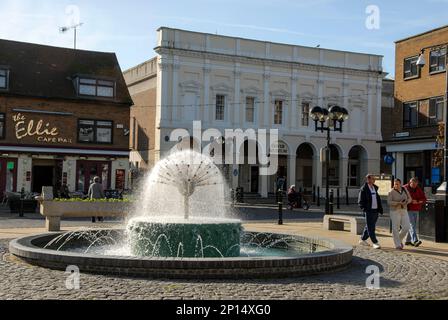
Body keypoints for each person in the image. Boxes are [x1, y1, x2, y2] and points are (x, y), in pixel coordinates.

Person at [358, 174, 384, 249]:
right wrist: (365, 209)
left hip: (375, 210)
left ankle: (362, 239)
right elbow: (360, 201)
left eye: (374, 178)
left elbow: (378, 199)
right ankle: (375, 242)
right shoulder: (363, 189)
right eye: (372, 178)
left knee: (369, 226)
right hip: (368, 211)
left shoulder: (374, 188)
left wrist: (380, 209)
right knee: (371, 228)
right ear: (368, 180)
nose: (374, 180)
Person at [387, 179, 412, 250]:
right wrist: (398, 203)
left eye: (397, 184)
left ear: (400, 184)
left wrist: (406, 202)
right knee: (395, 228)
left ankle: (399, 240)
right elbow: (389, 202)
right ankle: (397, 244)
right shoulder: (391, 192)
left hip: (404, 210)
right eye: (395, 184)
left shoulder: (405, 189)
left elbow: (410, 198)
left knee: (406, 227)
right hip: (395, 211)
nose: (396, 185)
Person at [403, 178, 426, 247]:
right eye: (412, 184)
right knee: (412, 225)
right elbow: (401, 198)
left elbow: (424, 198)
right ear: (410, 182)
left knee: (412, 226)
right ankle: (415, 240)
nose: (414, 186)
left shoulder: (418, 189)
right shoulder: (404, 188)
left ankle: (408, 241)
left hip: (416, 209)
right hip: (407, 209)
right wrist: (410, 201)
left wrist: (418, 201)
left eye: (415, 185)